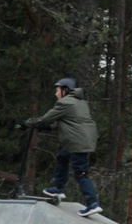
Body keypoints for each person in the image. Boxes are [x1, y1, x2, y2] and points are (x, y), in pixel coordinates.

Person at [20, 77, 100, 215]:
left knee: (80, 172)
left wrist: (28, 123)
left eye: (57, 90)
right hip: (80, 139)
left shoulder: (65, 102)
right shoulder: (80, 102)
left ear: (65, 90)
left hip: (77, 141)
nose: (55, 94)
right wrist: (45, 127)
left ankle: (92, 203)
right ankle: (59, 188)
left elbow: (45, 119)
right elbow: (65, 122)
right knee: (63, 157)